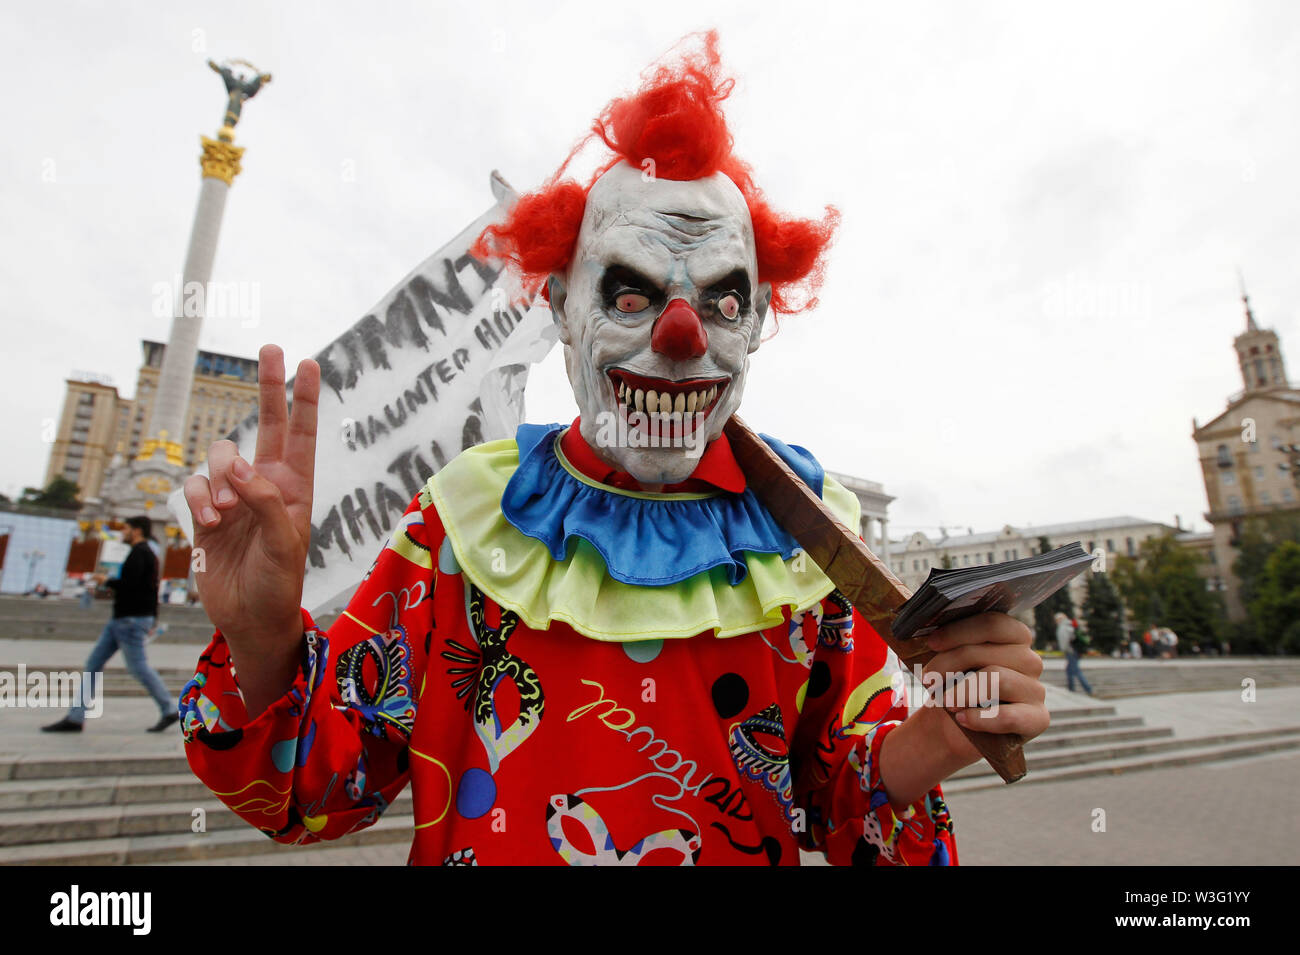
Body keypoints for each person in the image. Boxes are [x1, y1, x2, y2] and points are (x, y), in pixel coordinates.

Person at [177, 33, 1050, 866]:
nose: (680, 334)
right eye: (630, 294)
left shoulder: (808, 541)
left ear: (757, 325)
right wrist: (260, 638)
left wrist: (937, 736)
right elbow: (318, 791)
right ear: (559, 303)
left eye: (723, 302)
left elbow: (839, 802)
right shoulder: (464, 524)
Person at [43, 516, 179, 734]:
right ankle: (76, 717)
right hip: (126, 618)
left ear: (136, 531)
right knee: (94, 663)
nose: (123, 532)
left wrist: (104, 581)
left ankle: (169, 708)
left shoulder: (140, 553)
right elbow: (150, 589)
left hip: (129, 619)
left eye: (125, 529)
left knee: (137, 667)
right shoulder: (148, 554)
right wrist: (152, 617)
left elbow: (131, 586)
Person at [1056, 611, 1092, 696]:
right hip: (1075, 650)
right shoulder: (1070, 625)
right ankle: (1071, 689)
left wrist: (1064, 649)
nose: (1056, 621)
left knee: (1076, 670)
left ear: (1060, 619)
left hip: (1070, 651)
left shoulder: (1063, 627)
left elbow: (1064, 641)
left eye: (1057, 619)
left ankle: (1088, 689)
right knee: (1069, 670)